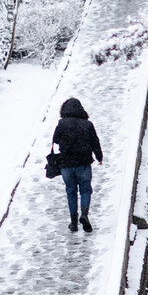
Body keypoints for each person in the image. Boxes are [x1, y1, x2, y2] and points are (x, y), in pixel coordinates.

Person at [52, 97, 103, 232]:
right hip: (83, 163)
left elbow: (55, 139)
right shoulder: (88, 124)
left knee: (71, 191)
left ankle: (73, 222)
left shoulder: (61, 124)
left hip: (66, 165)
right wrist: (99, 157)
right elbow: (95, 142)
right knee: (85, 189)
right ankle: (84, 215)